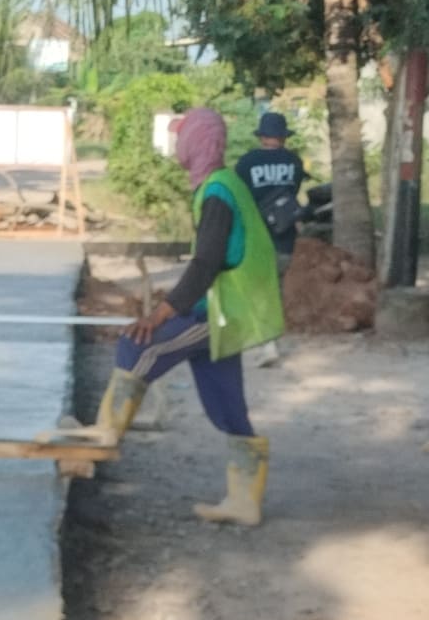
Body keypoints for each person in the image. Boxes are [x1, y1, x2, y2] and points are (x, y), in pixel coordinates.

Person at [52, 104, 283, 526]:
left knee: (138, 344)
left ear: (197, 142)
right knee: (227, 404)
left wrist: (160, 313)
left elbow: (205, 263)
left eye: (182, 137)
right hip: (228, 308)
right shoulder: (223, 184)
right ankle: (244, 502)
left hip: (219, 309)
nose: (178, 144)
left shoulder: (216, 192)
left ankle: (105, 433)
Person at [234, 108, 308, 252]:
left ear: (262, 137)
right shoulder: (294, 160)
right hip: (287, 230)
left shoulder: (246, 162)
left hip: (257, 230)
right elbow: (295, 189)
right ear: (284, 137)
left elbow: (240, 195)